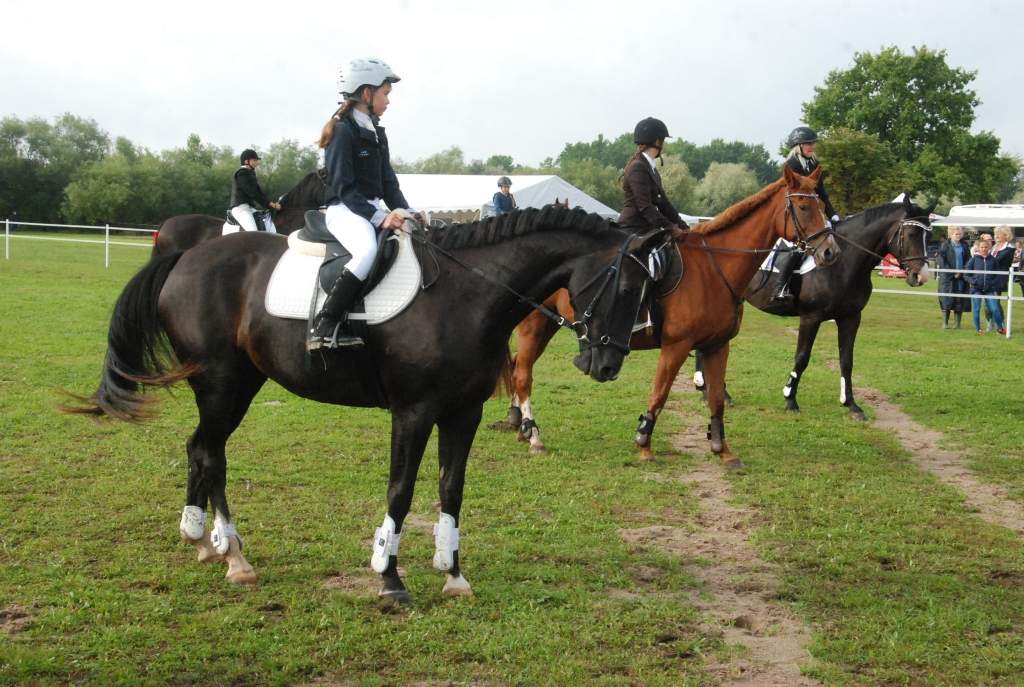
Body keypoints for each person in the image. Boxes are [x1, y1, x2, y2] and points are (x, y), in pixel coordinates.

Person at [308, 58, 415, 350]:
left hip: (369, 207)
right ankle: (325, 323)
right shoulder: (342, 131)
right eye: (385, 94)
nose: (388, 101)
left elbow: (389, 182)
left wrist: (408, 213)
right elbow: (344, 188)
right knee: (367, 250)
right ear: (366, 94)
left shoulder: (377, 132)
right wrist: (380, 218)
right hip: (344, 209)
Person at [772, 126, 840, 301]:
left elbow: (822, 192)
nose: (812, 147)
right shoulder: (792, 164)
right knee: (798, 248)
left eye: (813, 143)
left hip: (813, 210)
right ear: (798, 146)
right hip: (795, 209)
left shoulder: (815, 164)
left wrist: (833, 214)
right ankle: (781, 286)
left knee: (831, 240)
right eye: (808, 144)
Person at [617, 117, 688, 237]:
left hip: (647, 229)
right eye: (663, 141)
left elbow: (664, 204)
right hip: (633, 230)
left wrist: (684, 226)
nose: (664, 145)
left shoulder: (651, 168)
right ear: (657, 141)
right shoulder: (637, 167)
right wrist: (671, 228)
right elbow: (645, 206)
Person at [229, 149, 280, 233]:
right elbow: (252, 193)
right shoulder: (242, 174)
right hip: (240, 208)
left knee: (266, 224)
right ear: (246, 161)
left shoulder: (250, 173)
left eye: (257, 160)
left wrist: (271, 205)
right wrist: (270, 204)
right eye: (254, 160)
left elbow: (259, 192)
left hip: (249, 208)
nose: (257, 163)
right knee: (253, 232)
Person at [964, 238, 1006, 335]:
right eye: (982, 247)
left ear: (989, 248)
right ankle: (978, 330)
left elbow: (998, 275)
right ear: (978, 248)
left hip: (989, 289)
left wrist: (992, 283)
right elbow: (966, 274)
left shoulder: (993, 260)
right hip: (976, 289)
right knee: (976, 309)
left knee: (995, 309)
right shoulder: (973, 260)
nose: (984, 249)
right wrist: (973, 281)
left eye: (986, 247)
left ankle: (1000, 328)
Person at [936, 226, 971, 329]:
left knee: (959, 299)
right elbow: (941, 260)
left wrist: (962, 271)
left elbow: (969, 259)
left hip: (961, 277)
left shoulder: (964, 245)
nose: (958, 236)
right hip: (947, 278)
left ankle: (957, 324)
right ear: (951, 234)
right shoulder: (945, 245)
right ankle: (945, 323)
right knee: (946, 299)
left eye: (960, 234)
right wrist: (952, 273)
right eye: (956, 234)